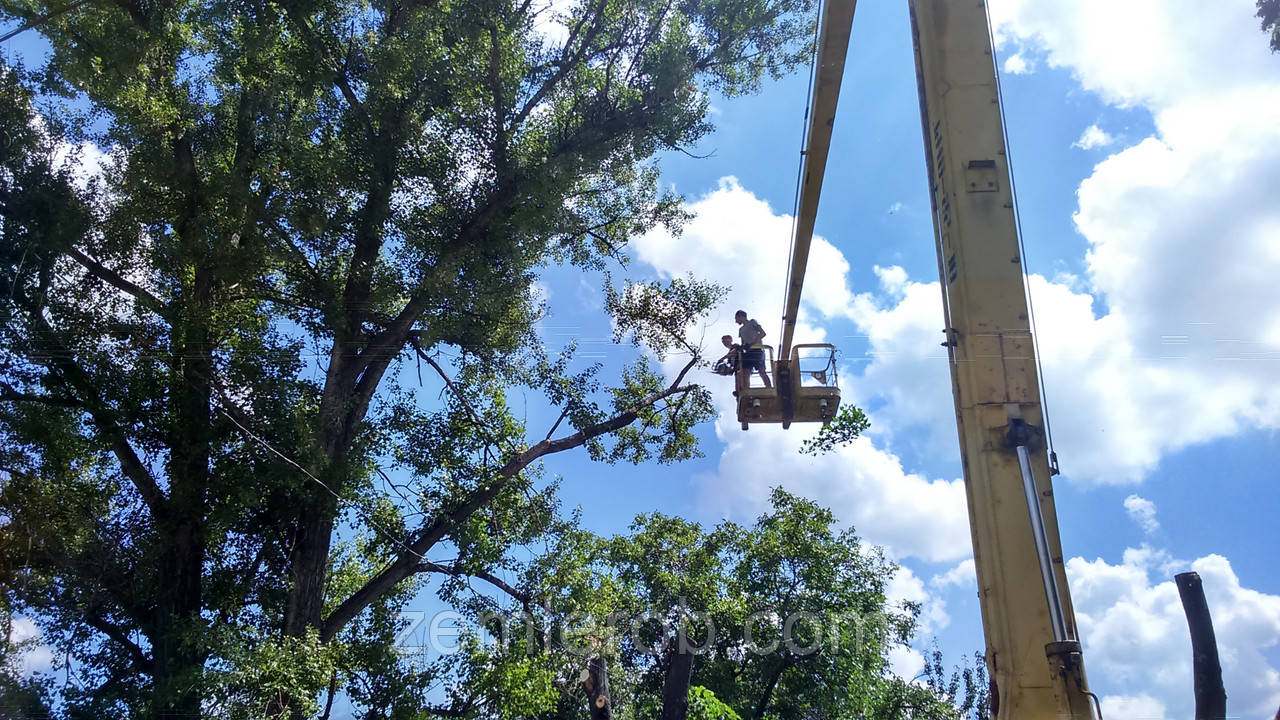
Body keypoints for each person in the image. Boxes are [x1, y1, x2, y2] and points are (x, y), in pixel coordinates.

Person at [734, 310, 772, 388]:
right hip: (748, 352)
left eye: (736, 318)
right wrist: (741, 347)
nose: (736, 321)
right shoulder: (740, 330)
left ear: (741, 316)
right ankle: (747, 390)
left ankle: (768, 387)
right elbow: (743, 343)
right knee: (746, 372)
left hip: (757, 350)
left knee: (761, 371)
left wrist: (751, 344)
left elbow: (762, 333)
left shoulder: (752, 322)